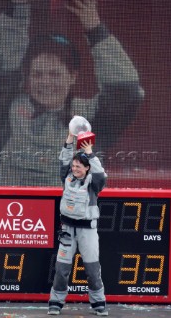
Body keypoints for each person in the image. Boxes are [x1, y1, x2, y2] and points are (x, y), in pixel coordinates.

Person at [0, 0, 144, 186]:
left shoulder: (91, 116)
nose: (45, 82)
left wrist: (95, 30)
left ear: (73, 76)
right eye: (37, 74)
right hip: (13, 212)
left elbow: (126, 91)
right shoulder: (9, 106)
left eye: (55, 74)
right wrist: (18, 7)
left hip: (72, 211)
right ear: (27, 77)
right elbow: (1, 63)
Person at [48, 132, 108, 316]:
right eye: (73, 166)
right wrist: (69, 139)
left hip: (87, 231)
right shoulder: (67, 177)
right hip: (67, 230)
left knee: (92, 269)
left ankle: (98, 303)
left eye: (79, 167)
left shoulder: (94, 184)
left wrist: (90, 153)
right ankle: (55, 302)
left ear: (87, 168)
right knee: (62, 269)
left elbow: (100, 174)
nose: (74, 169)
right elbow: (64, 160)